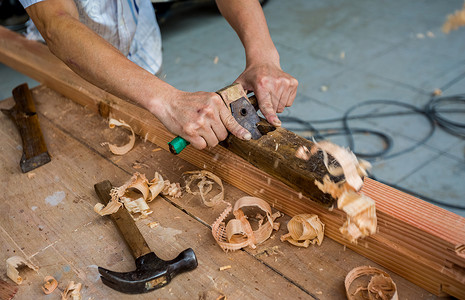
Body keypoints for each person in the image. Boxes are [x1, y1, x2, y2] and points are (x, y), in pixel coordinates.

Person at [19, 0, 298, 150]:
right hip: (74, 71)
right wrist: (166, 101)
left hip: (143, 54)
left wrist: (263, 55)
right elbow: (55, 23)